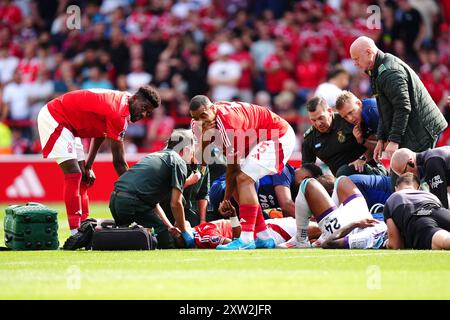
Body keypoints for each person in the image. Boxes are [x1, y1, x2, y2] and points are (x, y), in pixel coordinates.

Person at [37, 86, 160, 234]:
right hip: (55, 117)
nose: (144, 114)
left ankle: (85, 225)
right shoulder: (119, 114)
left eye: (149, 112)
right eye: (144, 108)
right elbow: (119, 162)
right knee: (74, 174)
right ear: (134, 99)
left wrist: (88, 165)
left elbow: (101, 132)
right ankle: (75, 232)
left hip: (68, 123)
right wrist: (135, 191)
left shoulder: (125, 100)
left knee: (83, 177)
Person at [189, 95, 296, 250]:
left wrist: (225, 199)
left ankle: (246, 238)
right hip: (256, 140)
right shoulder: (197, 124)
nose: (201, 121)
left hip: (277, 134)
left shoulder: (228, 124)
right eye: (196, 118)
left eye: (203, 116)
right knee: (241, 182)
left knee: (243, 179)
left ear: (213, 109)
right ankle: (264, 237)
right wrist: (206, 136)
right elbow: (202, 160)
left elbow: (233, 169)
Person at [349, 36, 447, 162]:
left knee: (413, 176)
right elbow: (384, 108)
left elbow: (402, 107)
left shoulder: (389, 72)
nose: (355, 63)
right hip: (415, 128)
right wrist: (381, 138)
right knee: (405, 176)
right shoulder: (377, 68)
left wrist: (394, 140)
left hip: (422, 130)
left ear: (369, 52)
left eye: (356, 59)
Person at [109, 129, 196, 249]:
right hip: (132, 203)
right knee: (168, 241)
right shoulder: (178, 161)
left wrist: (169, 226)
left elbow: (153, 203)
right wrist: (184, 232)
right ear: (186, 150)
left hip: (115, 201)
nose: (192, 155)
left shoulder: (154, 155)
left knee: (128, 242)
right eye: (192, 151)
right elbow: (176, 203)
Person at [278, 176, 387, 249]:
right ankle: (324, 225)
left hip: (345, 229)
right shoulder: (386, 227)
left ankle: (301, 240)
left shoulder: (369, 236)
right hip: (363, 217)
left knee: (307, 184)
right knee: (342, 180)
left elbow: (329, 243)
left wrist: (356, 224)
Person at [170, 200, 321, 249]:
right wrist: (234, 218)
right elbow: (234, 242)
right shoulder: (202, 235)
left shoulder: (201, 230)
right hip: (264, 232)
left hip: (262, 229)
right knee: (318, 229)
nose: (179, 223)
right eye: (177, 226)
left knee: (315, 232)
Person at [302, 96, 386, 177]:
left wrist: (363, 158)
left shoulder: (349, 119)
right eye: (313, 120)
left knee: (343, 171)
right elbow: (307, 169)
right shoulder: (309, 139)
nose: (318, 123)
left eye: (321, 118)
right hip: (340, 181)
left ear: (330, 111)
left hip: (369, 169)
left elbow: (379, 145)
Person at [383, 173, 450, 250]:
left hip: (419, 218)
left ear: (396, 189)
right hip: (440, 211)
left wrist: (387, 243)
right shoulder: (430, 195)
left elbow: (396, 244)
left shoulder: (392, 199)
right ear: (418, 188)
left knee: (444, 240)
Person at [335, 91, 379, 173]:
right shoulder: (358, 119)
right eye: (345, 117)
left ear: (359, 104)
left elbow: (386, 146)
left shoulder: (371, 111)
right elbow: (377, 145)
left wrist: (363, 141)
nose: (350, 118)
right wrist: (362, 141)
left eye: (350, 112)